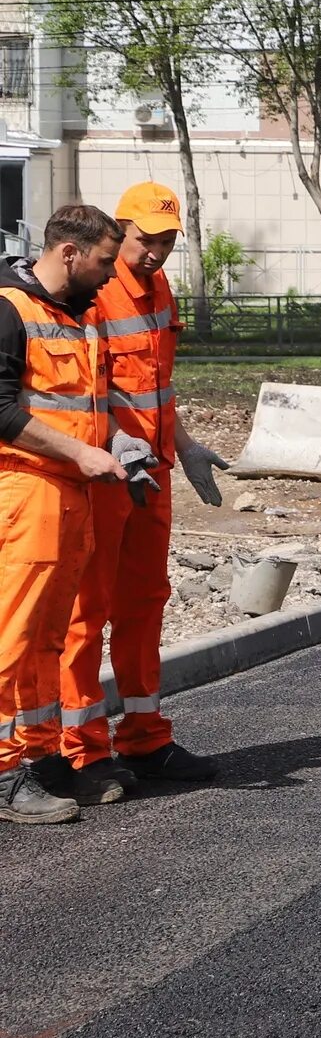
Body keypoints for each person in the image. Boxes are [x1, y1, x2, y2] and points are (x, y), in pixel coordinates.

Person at [58, 183, 228, 800]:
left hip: (150, 476)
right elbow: (84, 392)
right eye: (145, 240)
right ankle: (82, 751)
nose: (155, 252)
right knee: (88, 612)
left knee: (145, 602)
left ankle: (146, 738)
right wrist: (112, 446)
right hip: (105, 475)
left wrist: (183, 445)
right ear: (119, 231)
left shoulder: (158, 290)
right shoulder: (92, 293)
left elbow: (157, 386)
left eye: (167, 241)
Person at [0, 205, 127, 823]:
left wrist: (112, 443)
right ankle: (3, 772)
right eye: (105, 259)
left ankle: (41, 756)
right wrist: (82, 451)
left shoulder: (75, 317)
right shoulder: (11, 309)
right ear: (70, 252)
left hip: (67, 492)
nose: (112, 272)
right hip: (26, 493)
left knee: (47, 639)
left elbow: (80, 401)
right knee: (11, 637)